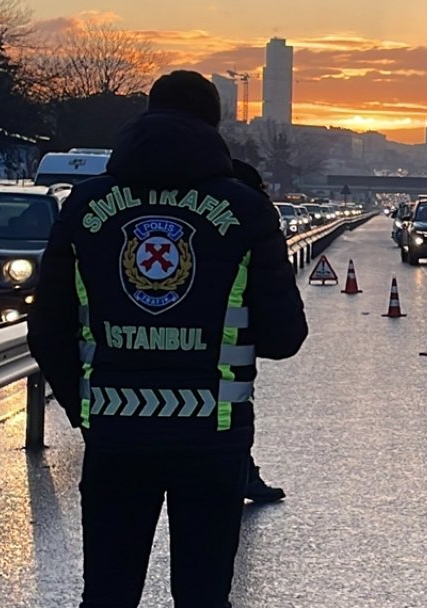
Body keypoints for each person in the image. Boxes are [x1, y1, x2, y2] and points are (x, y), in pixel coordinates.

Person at [27, 70, 307, 607]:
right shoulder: (246, 209)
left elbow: (47, 329)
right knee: (202, 597)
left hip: (115, 437)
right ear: (213, 124)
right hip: (212, 440)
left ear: (148, 116)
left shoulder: (84, 207)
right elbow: (283, 336)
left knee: (109, 594)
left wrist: (87, 409)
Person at [228, 157, 287, 505]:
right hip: (221, 387)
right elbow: (284, 334)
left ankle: (244, 472)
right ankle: (243, 474)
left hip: (117, 419)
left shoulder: (101, 203)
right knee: (207, 548)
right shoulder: (247, 218)